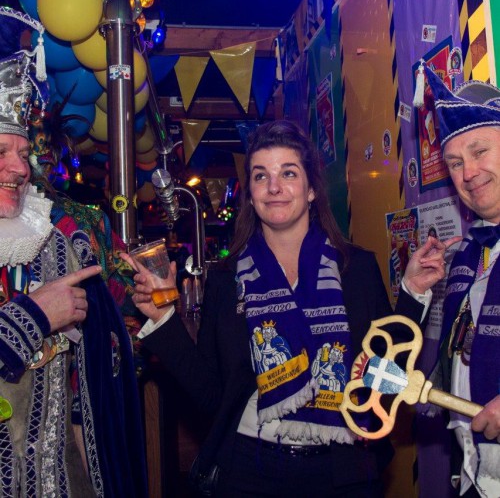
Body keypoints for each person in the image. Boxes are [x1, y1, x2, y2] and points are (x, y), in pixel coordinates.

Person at [122, 120, 451, 497]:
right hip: (250, 472)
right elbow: (211, 395)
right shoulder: (227, 280)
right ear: (250, 195)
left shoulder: (356, 269)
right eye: (261, 176)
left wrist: (413, 292)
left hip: (343, 471)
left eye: (288, 173)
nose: (274, 187)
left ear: (311, 190)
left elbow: (384, 371)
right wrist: (162, 318)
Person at [0, 39, 147, 498]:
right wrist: (33, 316)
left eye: (24, 153)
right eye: (1, 151)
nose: (20, 168)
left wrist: (147, 301)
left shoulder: (58, 240)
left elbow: (94, 367)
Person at [410, 65, 500, 497]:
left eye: (480, 152)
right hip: (472, 477)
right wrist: (415, 292)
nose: (468, 174)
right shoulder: (468, 254)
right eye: (455, 163)